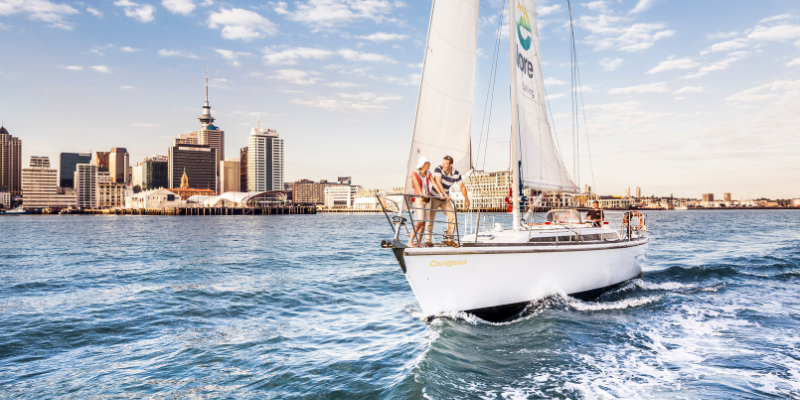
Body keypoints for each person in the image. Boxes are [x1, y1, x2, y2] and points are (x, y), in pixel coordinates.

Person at [426, 155, 470, 246]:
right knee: (431, 219)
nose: (443, 165)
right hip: (434, 197)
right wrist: (445, 195)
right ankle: (427, 240)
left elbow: (462, 186)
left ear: (451, 165)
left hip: (445, 200)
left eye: (445, 164)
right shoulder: (438, 169)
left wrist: (467, 199)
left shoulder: (456, 174)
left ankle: (449, 239)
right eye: (443, 163)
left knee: (452, 216)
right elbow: (438, 182)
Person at [407, 156, 434, 248]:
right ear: (424, 164)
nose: (429, 165)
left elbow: (434, 183)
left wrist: (443, 194)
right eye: (428, 163)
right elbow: (417, 185)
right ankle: (410, 241)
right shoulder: (414, 173)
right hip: (419, 199)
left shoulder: (428, 173)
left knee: (424, 222)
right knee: (419, 221)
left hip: (427, 199)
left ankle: (419, 242)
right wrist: (422, 193)